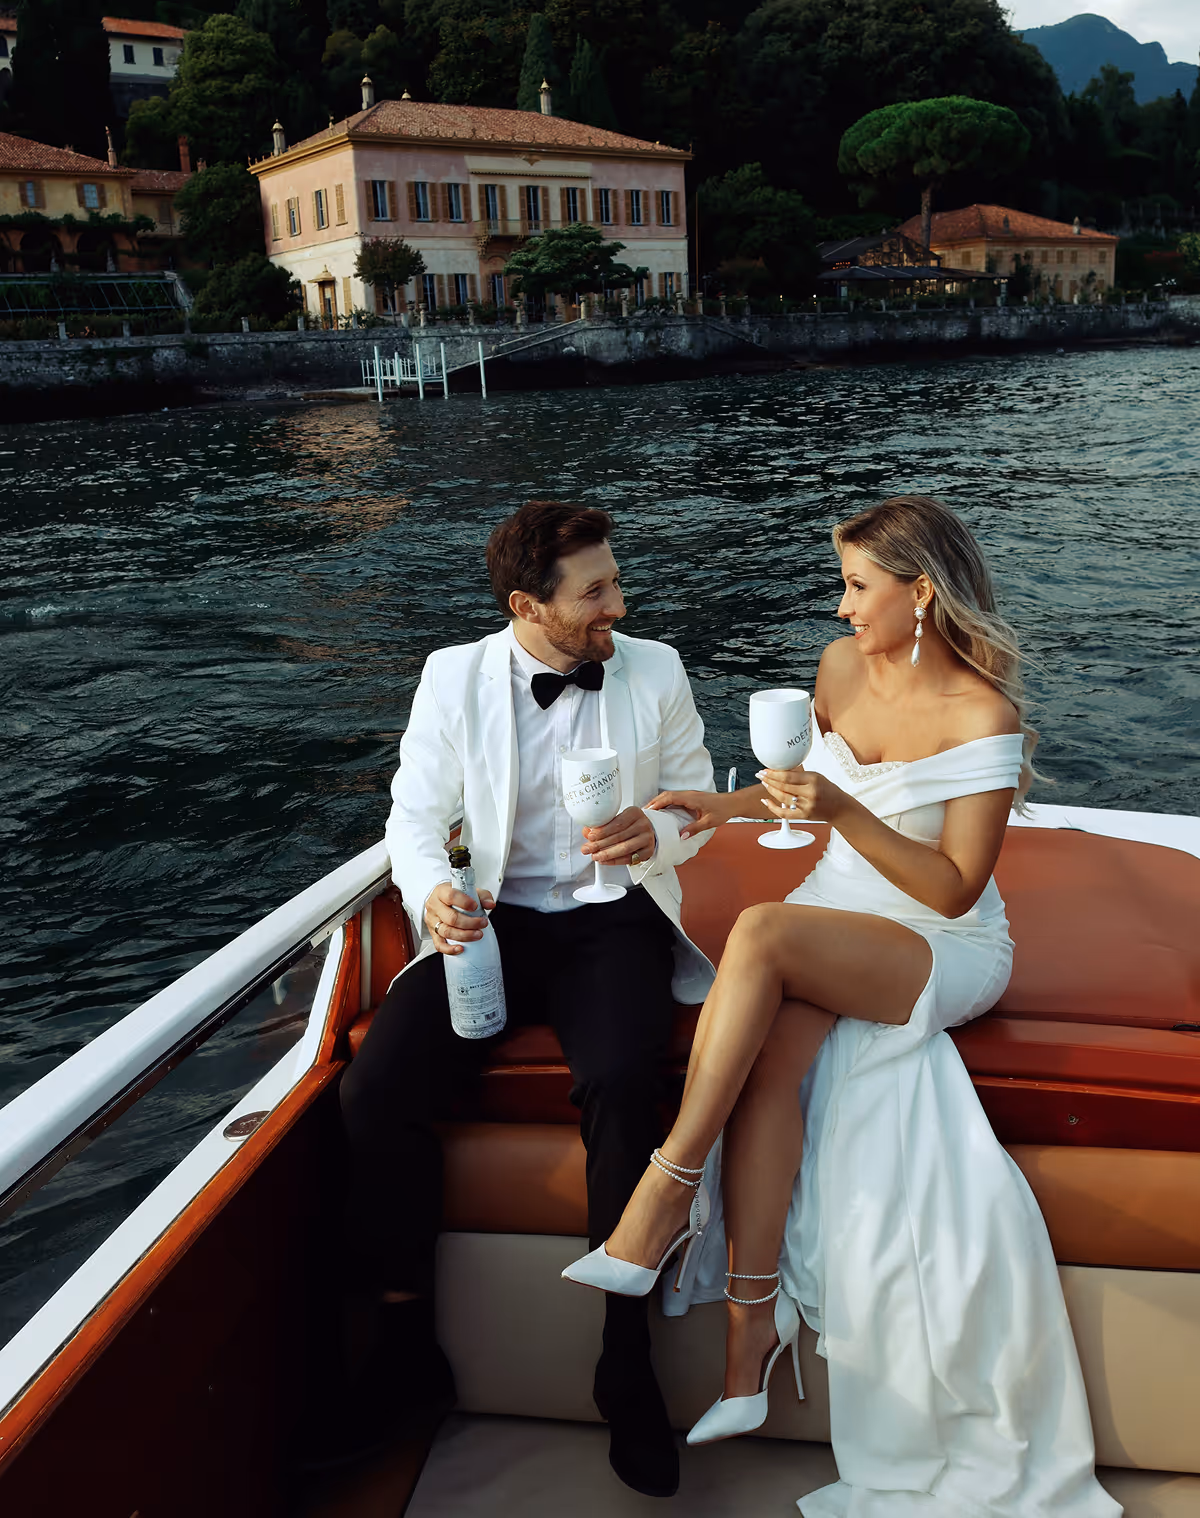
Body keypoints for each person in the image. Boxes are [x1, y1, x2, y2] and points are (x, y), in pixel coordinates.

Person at [564, 496, 1120, 1516]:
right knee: (774, 1055)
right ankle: (748, 1333)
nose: (842, 604)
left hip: (940, 944)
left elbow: (954, 886)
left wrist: (847, 813)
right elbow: (794, 792)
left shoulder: (982, 714)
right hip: (838, 911)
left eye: (859, 585)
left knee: (763, 936)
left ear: (921, 592)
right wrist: (716, 805)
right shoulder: (833, 671)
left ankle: (668, 1192)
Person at [337, 500, 717, 1497]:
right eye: (596, 592)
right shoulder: (452, 678)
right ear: (527, 605)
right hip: (493, 923)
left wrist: (658, 835)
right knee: (372, 1092)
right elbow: (414, 820)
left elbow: (697, 806)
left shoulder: (658, 668)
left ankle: (623, 1361)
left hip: (615, 923)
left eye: (615, 583)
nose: (618, 605)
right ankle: (407, 1347)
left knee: (627, 1081)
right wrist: (435, 897)